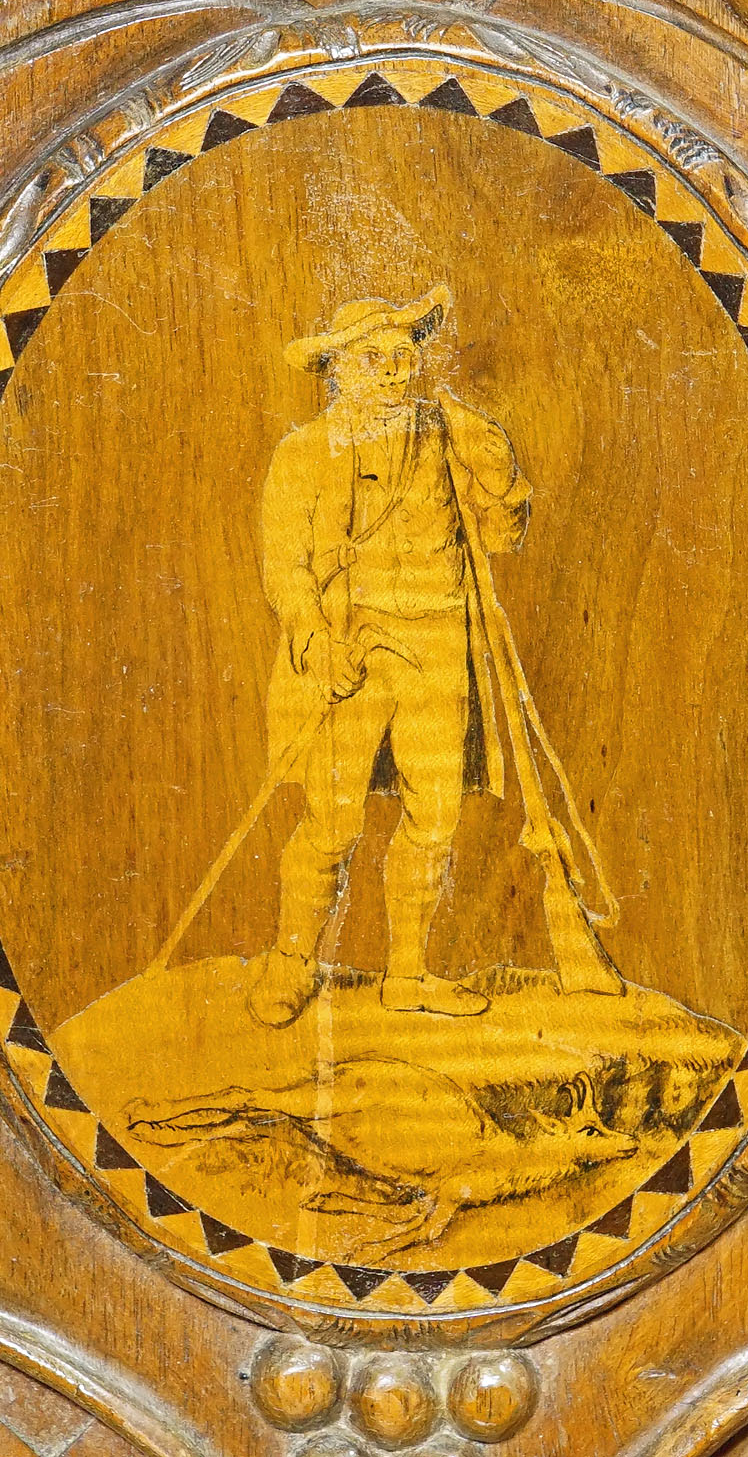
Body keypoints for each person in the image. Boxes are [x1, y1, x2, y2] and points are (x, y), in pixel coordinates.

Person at [245, 285, 532, 1027]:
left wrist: (495, 466)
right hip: (351, 647)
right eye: (376, 358)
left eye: (404, 355)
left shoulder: (449, 436)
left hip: (437, 647)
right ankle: (291, 961)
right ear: (339, 370)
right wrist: (315, 639)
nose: (397, 369)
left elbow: (505, 531)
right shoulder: (302, 453)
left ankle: (408, 973)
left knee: (434, 818)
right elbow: (285, 567)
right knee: (332, 822)